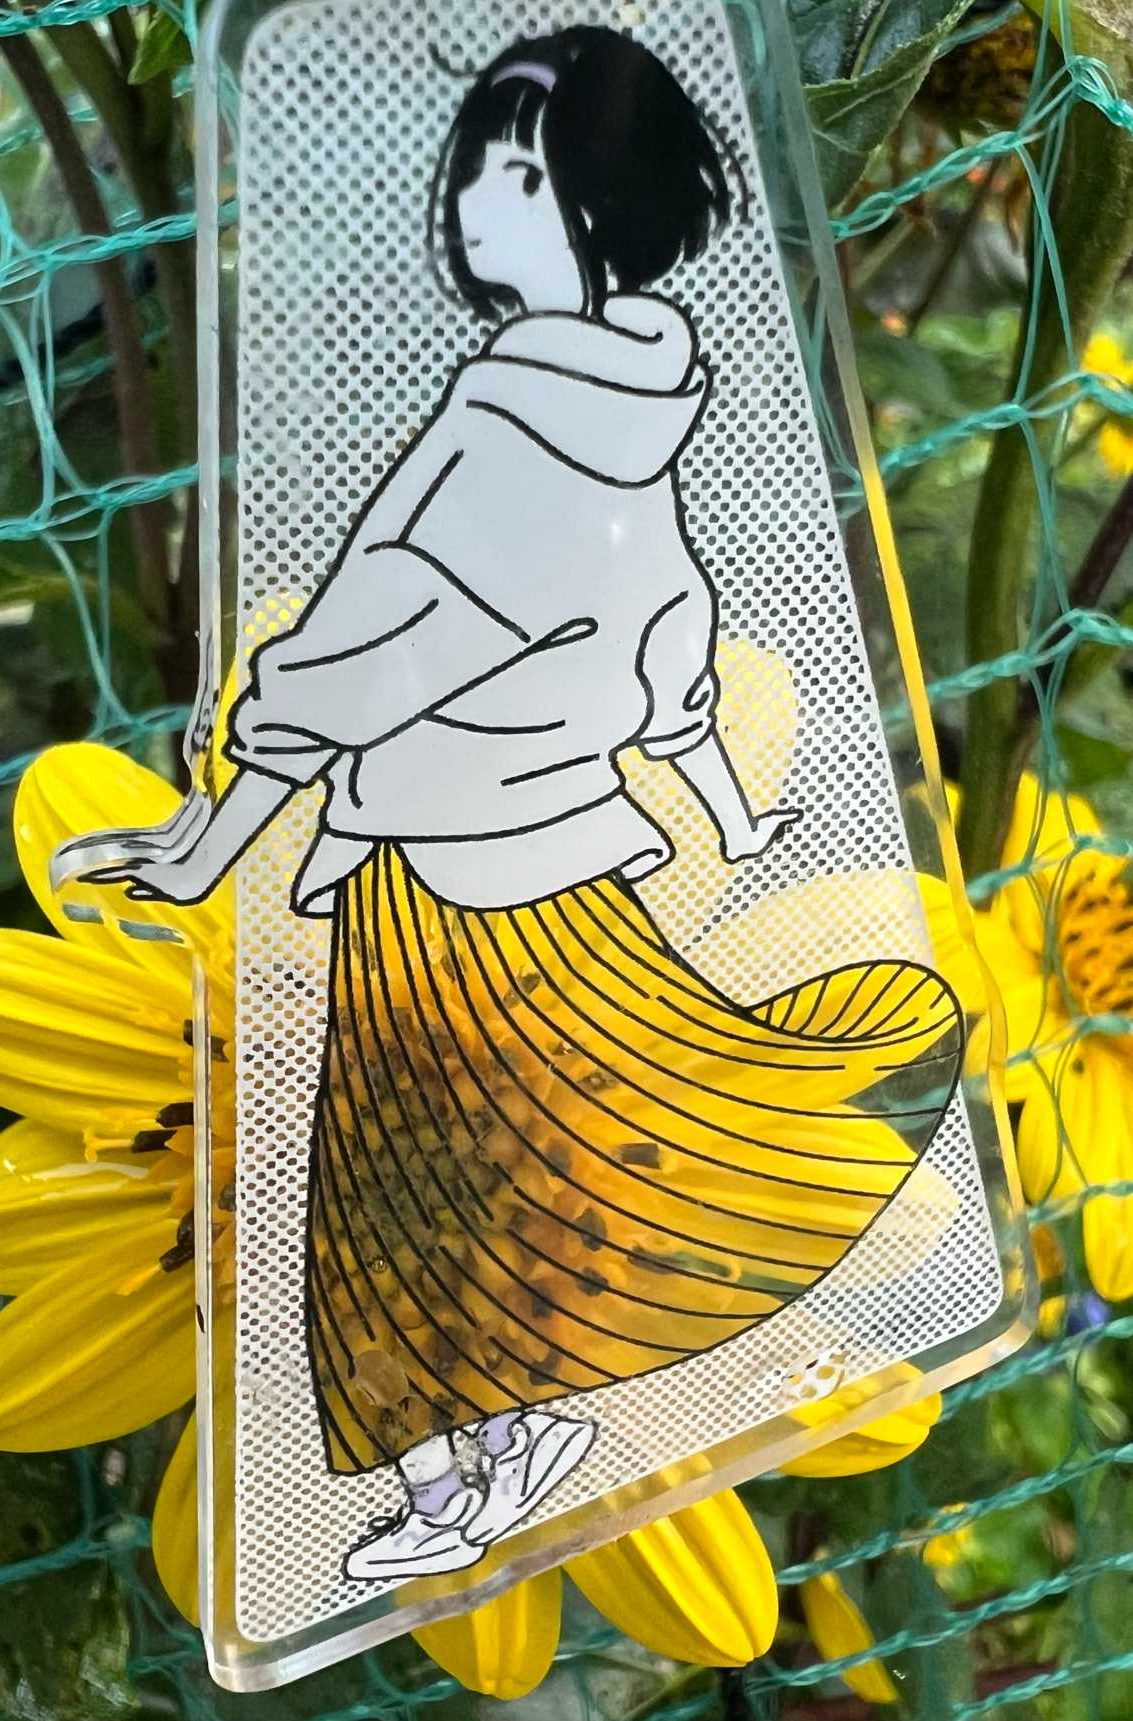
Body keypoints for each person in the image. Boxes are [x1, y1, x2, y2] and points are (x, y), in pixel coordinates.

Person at [56, 25, 962, 1583]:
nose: (476, 198)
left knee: (382, 1194)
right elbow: (669, 641)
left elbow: (366, 656)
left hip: (458, 883)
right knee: (466, 1170)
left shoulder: (517, 435)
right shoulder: (624, 410)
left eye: (521, 172)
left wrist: (215, 834)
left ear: (603, 211)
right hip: (507, 862)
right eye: (476, 161)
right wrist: (724, 802)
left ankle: (483, 1451)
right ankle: (510, 1438)